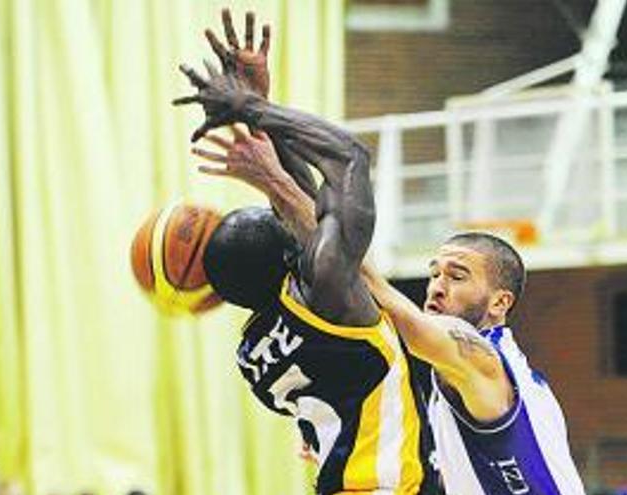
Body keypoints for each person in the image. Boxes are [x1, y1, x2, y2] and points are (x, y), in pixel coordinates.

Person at [188, 66, 586, 495]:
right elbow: (329, 255)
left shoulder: (479, 359)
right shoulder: (446, 377)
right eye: (434, 273)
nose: (436, 285)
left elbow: (349, 269)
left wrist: (268, 151)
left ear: (499, 303)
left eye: (457, 276)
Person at [173, 11, 440, 495]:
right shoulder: (332, 287)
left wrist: (259, 104)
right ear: (290, 256)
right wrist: (249, 109)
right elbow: (348, 158)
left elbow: (310, 225)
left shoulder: (252, 352)